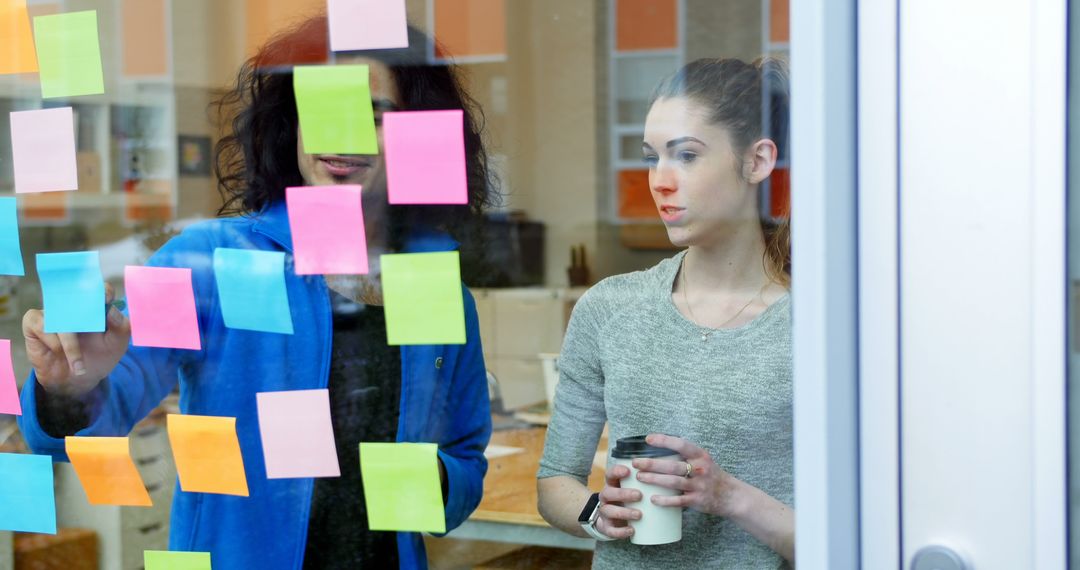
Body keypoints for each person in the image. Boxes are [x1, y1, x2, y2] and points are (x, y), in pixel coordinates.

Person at [17, 14, 494, 570]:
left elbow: (463, 460)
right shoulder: (214, 262)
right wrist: (70, 386)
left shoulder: (433, 286)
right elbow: (77, 431)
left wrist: (423, 482)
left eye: (374, 116)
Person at [537, 58, 794, 568]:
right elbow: (554, 482)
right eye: (651, 157)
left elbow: (853, 540)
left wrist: (729, 497)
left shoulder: (816, 326)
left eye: (687, 156)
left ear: (757, 161)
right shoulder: (608, 308)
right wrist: (595, 512)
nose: (660, 181)